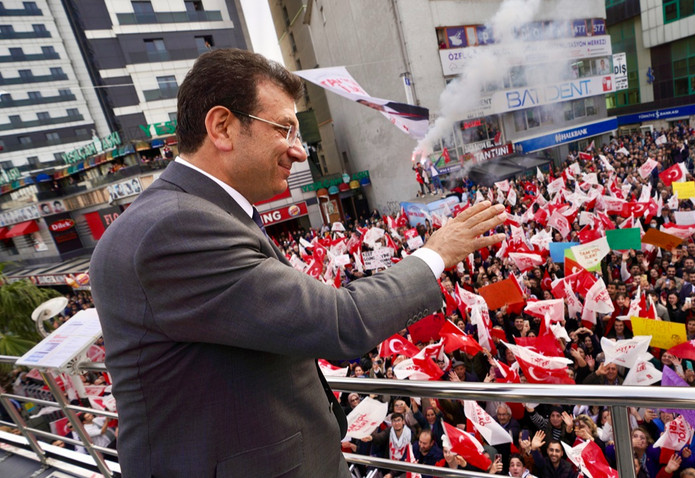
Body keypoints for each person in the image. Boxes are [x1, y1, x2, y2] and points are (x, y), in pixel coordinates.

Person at [89, 49, 506, 478]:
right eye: (284, 129)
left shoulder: (190, 214)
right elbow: (340, 321)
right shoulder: (177, 227)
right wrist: (436, 252)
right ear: (222, 127)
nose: (299, 151)